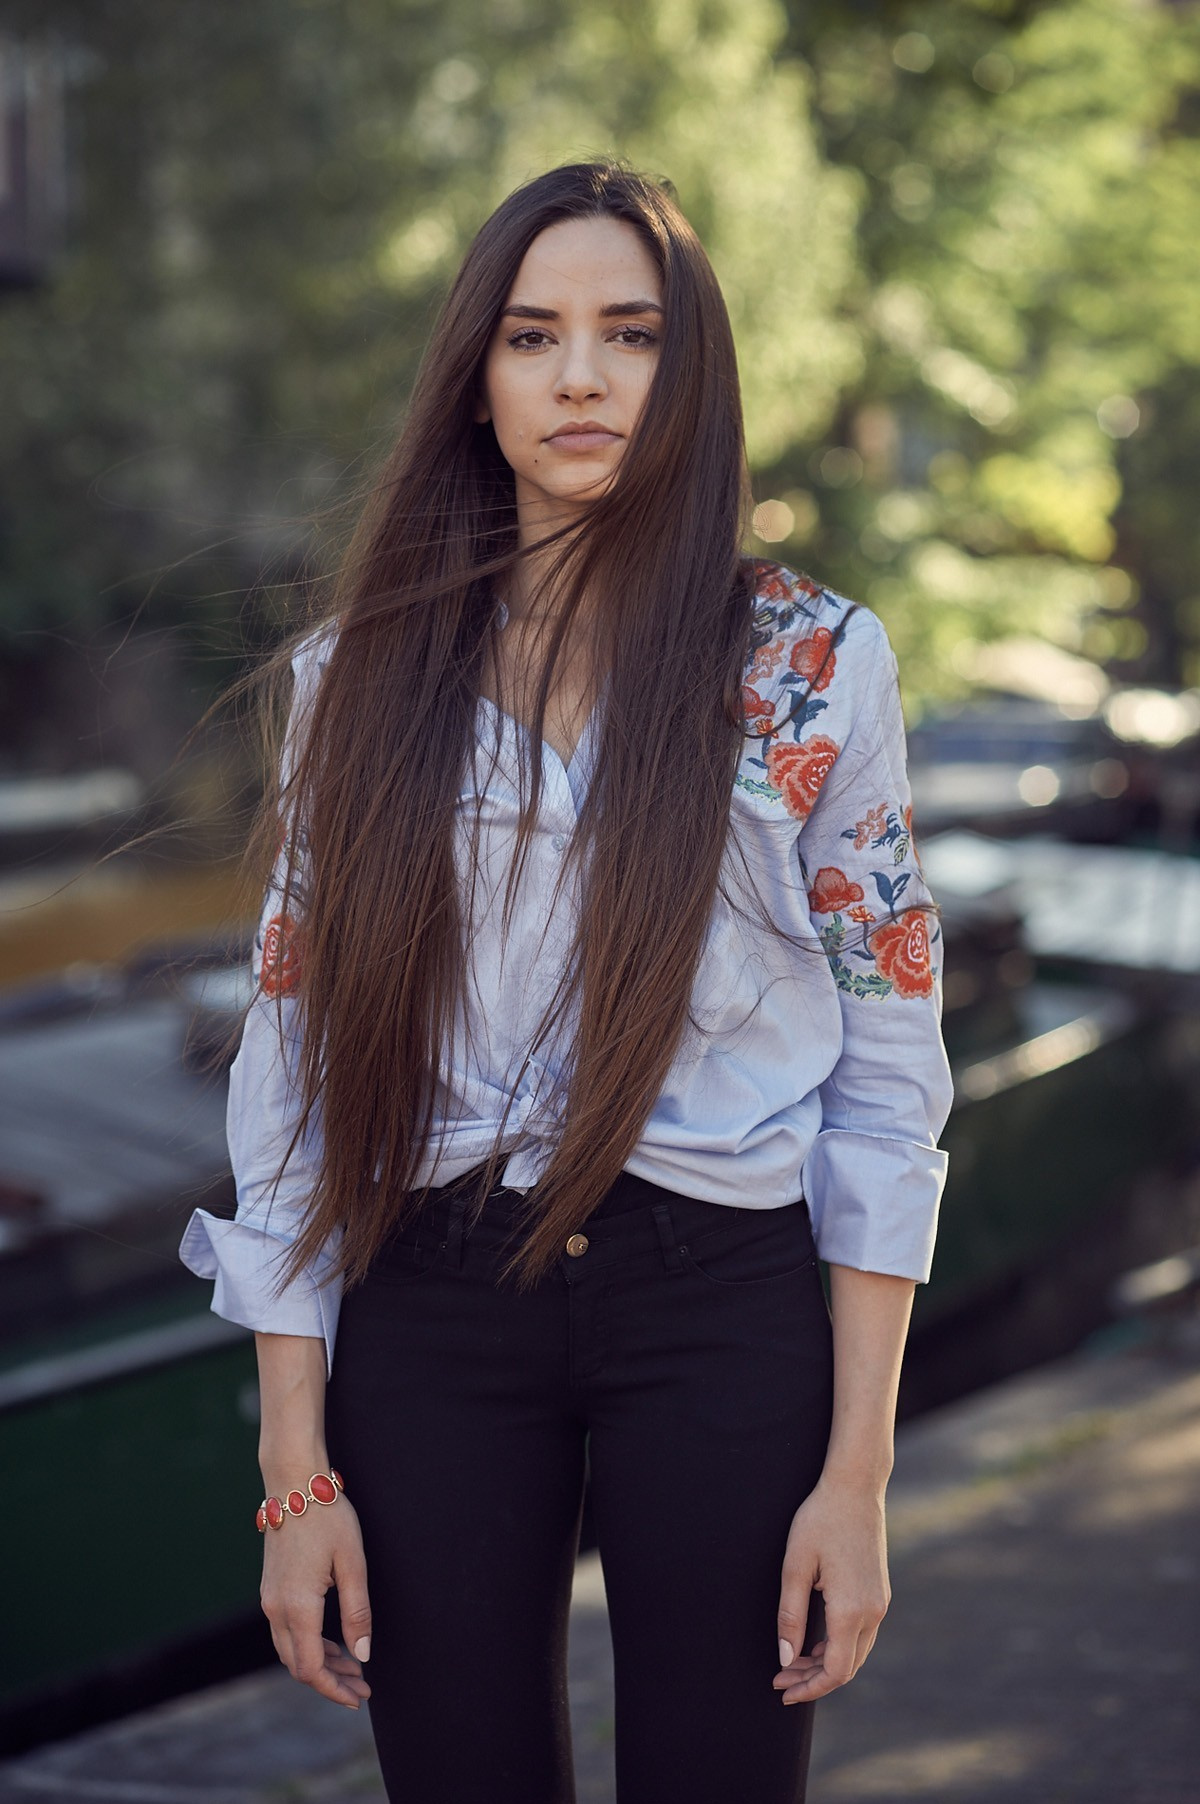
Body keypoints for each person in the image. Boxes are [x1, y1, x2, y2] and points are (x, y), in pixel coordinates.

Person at [180, 160, 953, 1804]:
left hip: (722, 1299)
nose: (583, 376)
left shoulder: (811, 665)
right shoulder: (359, 677)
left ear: (693, 372)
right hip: (435, 1303)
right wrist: (294, 1471)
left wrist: (861, 1472)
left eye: (631, 334)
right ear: (478, 378)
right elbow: (299, 1069)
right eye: (534, 336)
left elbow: (890, 1071)